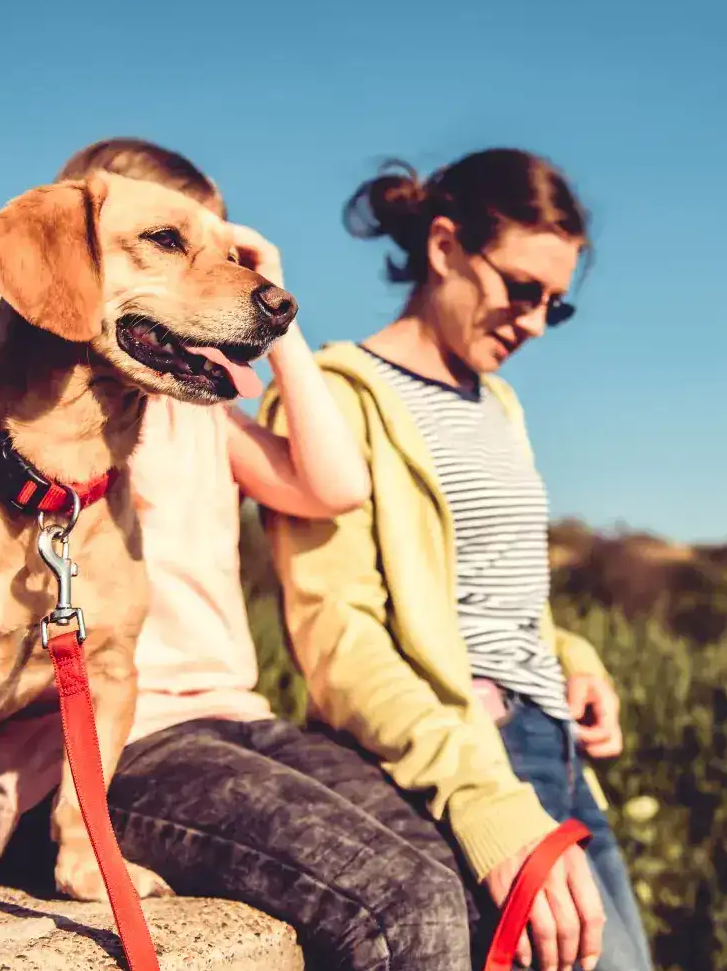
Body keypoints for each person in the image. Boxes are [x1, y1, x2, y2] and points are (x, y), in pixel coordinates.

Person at [0, 137, 479, 971]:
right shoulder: (20, 398)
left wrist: (273, 302)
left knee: (453, 877)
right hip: (115, 747)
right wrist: (90, 214)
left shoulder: (197, 410)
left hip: (235, 719)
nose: (210, 268)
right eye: (171, 242)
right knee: (410, 907)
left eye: (218, 248)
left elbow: (333, 486)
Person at [259, 148, 655, 971]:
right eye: (521, 289)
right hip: (467, 759)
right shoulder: (335, 394)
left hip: (562, 756)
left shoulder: (500, 402)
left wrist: (574, 661)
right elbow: (339, 640)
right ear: (444, 247)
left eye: (557, 305)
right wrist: (483, 801)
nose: (536, 322)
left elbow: (503, 590)